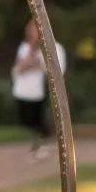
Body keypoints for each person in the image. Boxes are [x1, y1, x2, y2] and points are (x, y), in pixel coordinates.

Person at [11, 20, 66, 157]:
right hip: (24, 91)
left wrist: (31, 64)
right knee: (27, 119)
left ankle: (43, 144)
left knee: (39, 118)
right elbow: (18, 68)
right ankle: (37, 144)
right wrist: (30, 59)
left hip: (41, 89)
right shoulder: (25, 48)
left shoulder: (53, 47)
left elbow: (53, 67)